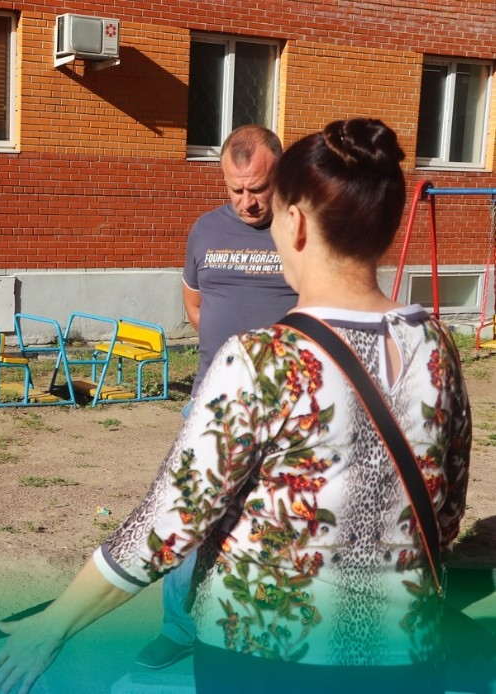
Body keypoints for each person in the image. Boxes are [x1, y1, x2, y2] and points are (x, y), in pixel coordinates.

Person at [0, 118, 470, 694]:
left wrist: (52, 625)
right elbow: (446, 514)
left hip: (267, 652)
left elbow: (170, 522)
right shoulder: (437, 346)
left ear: (295, 222)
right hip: (407, 651)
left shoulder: (262, 359)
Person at [139, 125, 298, 669]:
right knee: (188, 514)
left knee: (278, 520)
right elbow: (195, 305)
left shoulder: (302, 229)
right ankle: (179, 628)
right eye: (236, 189)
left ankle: (267, 628)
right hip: (210, 401)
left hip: (286, 407)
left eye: (258, 189)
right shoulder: (205, 230)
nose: (247, 201)